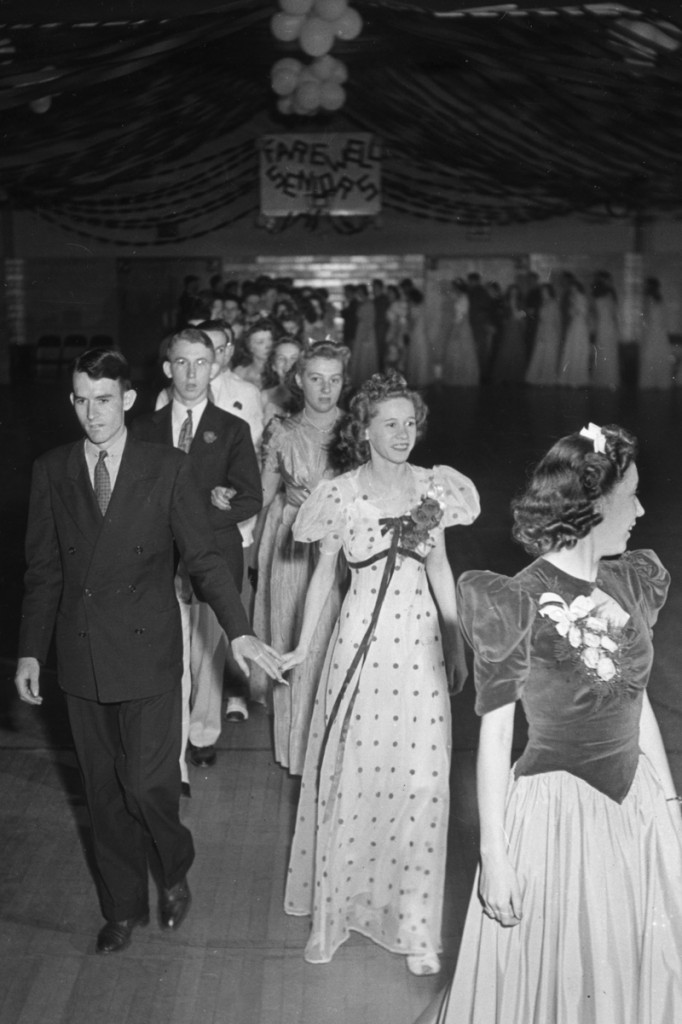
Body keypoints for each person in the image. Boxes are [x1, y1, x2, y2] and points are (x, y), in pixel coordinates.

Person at [14, 348, 282, 955]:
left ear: (129, 400)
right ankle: (122, 906)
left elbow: (205, 558)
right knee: (103, 792)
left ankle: (175, 860)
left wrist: (238, 629)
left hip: (148, 652)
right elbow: (44, 571)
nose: (92, 413)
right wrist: (30, 651)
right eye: (81, 400)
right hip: (80, 656)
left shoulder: (167, 466)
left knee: (146, 785)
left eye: (104, 399)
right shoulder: (52, 469)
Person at [415, 422, 682, 1024]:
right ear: (593, 504)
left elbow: (636, 706)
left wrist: (667, 804)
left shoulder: (630, 581)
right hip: (558, 814)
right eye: (631, 495)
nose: (640, 509)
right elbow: (494, 737)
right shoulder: (517, 600)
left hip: (634, 808)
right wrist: (496, 856)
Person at [282, 372, 480, 975]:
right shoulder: (339, 495)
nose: (402, 434)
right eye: (389, 423)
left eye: (409, 423)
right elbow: (323, 578)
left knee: (424, 781)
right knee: (358, 776)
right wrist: (297, 648)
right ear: (362, 430)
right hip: (360, 650)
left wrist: (455, 641)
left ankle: (417, 928)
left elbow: (441, 567)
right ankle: (338, 913)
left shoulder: (435, 488)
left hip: (419, 644)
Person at [130, 328, 262, 769]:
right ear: (168, 368)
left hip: (213, 556)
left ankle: (204, 733)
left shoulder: (232, 429)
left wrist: (199, 521)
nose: (191, 373)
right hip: (157, 558)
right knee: (164, 650)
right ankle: (170, 737)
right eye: (182, 363)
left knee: (208, 648)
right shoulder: (143, 429)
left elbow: (250, 498)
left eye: (201, 363)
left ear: (216, 367)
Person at [249, 341, 350, 767]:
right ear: (298, 381)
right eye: (315, 379)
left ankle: (335, 752)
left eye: (335, 379)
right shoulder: (281, 431)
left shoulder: (357, 430)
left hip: (346, 544)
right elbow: (262, 495)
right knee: (294, 639)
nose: (325, 389)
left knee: (335, 642)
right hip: (293, 545)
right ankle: (299, 752)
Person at [441, 278, 479, 386]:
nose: (452, 289)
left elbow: (462, 315)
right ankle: (456, 376)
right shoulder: (459, 297)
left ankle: (463, 377)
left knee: (460, 349)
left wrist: (457, 327)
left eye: (454, 287)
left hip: (461, 326)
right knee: (455, 350)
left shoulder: (464, 298)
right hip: (457, 324)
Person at [639, 277, 673, 390]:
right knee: (659, 354)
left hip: (652, 330)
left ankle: (650, 382)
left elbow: (646, 317)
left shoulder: (648, 299)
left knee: (650, 354)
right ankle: (660, 381)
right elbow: (664, 317)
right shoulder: (660, 299)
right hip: (660, 330)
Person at [524, 283, 561, 386]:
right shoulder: (542, 303)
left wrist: (558, 334)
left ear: (549, 291)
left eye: (545, 291)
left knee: (549, 355)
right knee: (539, 353)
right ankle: (536, 377)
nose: (543, 293)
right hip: (542, 329)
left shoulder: (554, 303)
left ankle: (547, 378)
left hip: (551, 331)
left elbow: (557, 321)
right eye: (542, 291)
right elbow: (540, 320)